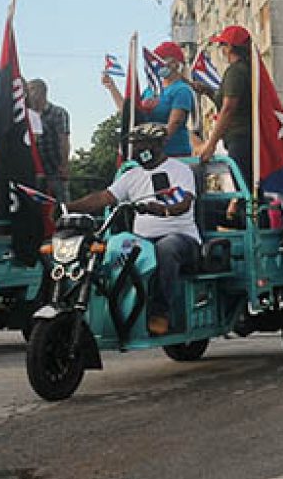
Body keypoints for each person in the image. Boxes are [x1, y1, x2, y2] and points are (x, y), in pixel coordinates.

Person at [66, 123, 201, 336]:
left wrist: (163, 210)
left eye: (142, 144)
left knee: (167, 247)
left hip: (182, 240)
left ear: (159, 144)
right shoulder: (131, 175)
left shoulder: (180, 170)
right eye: (135, 145)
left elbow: (184, 202)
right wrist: (67, 207)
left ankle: (160, 313)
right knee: (114, 247)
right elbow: (103, 198)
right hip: (143, 241)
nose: (138, 150)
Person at [102, 41, 194, 157]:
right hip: (148, 155)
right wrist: (112, 87)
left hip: (174, 154)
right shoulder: (149, 91)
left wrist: (154, 144)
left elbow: (174, 123)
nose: (156, 65)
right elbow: (129, 113)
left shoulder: (181, 90)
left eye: (160, 61)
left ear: (175, 64)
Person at [195, 26, 253, 188]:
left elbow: (228, 108)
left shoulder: (235, 71)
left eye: (222, 46)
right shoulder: (247, 69)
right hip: (245, 138)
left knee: (245, 189)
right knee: (248, 188)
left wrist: (211, 143)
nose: (221, 50)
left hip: (240, 138)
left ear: (229, 48)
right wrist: (207, 91)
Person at [26, 79, 71, 202]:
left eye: (30, 90)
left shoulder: (58, 113)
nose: (27, 95)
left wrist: (64, 165)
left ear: (41, 92)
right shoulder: (26, 115)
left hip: (54, 167)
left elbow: (63, 139)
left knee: (61, 203)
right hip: (33, 170)